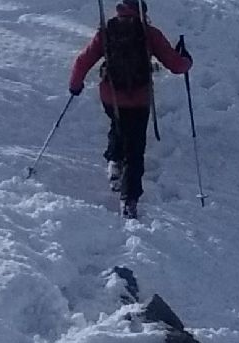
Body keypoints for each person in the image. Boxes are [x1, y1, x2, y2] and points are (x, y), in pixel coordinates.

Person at [69, 0, 192, 219]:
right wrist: (187, 61)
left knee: (118, 124)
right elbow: (176, 65)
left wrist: (75, 84)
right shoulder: (149, 33)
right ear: (142, 12)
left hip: (111, 95)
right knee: (135, 149)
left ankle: (114, 162)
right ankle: (129, 200)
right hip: (139, 99)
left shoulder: (107, 32)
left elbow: (82, 60)